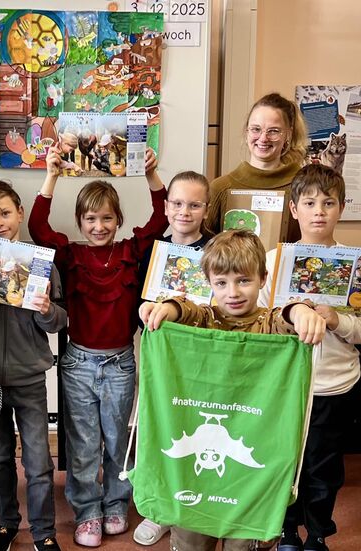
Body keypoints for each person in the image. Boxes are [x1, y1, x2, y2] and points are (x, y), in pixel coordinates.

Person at [139, 230, 326, 551]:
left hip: (250, 466)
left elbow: (286, 317)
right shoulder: (205, 319)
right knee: (190, 538)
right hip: (194, 476)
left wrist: (300, 311)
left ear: (263, 278)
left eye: (243, 281)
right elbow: (189, 310)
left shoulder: (269, 323)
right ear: (208, 282)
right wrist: (167, 308)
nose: (233, 292)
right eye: (221, 283)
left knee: (243, 543)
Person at [28, 149, 168, 547]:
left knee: (118, 440)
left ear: (118, 219)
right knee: (84, 443)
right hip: (78, 364)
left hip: (121, 362)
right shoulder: (70, 255)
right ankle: (87, 511)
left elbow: (161, 218)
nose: (99, 226)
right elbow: (37, 227)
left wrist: (152, 173)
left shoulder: (130, 251)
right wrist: (52, 175)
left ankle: (115, 502)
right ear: (80, 222)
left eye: (107, 218)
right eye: (90, 219)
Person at [259, 164, 361, 551]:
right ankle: (286, 531)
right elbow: (255, 320)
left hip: (334, 385)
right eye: (310, 203)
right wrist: (289, 317)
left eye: (329, 203)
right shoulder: (273, 261)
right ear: (294, 209)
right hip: (283, 386)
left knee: (324, 466)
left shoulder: (357, 266)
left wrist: (339, 321)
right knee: (282, 461)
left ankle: (317, 534)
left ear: (341, 208)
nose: (319, 211)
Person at [0, 181, 68, 551]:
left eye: (6, 213)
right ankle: (6, 524)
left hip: (28, 378)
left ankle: (43, 530)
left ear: (20, 213)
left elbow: (59, 321)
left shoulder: (41, 262)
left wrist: (46, 309)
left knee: (39, 461)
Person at [133, 170, 210, 546]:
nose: (184, 212)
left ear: (206, 209)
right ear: (165, 207)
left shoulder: (217, 250)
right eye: (177, 203)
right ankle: (160, 509)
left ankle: (197, 502)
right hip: (162, 358)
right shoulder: (153, 250)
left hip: (204, 359)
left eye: (194, 205)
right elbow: (138, 304)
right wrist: (146, 311)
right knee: (163, 428)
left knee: (198, 430)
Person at [204, 93, 308, 242]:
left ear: (288, 135)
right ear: (247, 132)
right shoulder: (220, 188)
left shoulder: (304, 187)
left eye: (273, 131)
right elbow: (204, 248)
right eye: (256, 129)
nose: (263, 138)